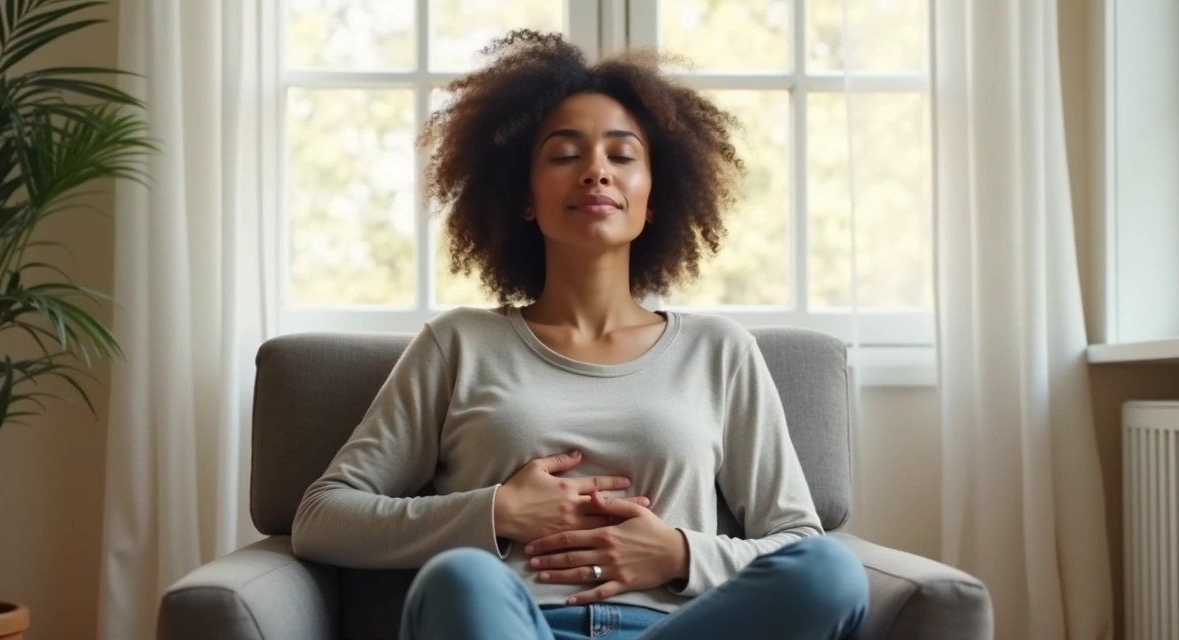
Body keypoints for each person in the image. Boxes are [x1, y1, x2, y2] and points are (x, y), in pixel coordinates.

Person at [292, 29, 869, 640]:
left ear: (652, 201)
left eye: (621, 156)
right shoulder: (458, 344)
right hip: (515, 626)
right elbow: (321, 517)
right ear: (525, 198)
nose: (595, 171)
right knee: (459, 578)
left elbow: (797, 538)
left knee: (831, 569)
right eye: (566, 155)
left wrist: (679, 553)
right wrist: (496, 511)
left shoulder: (720, 350)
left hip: (672, 629)